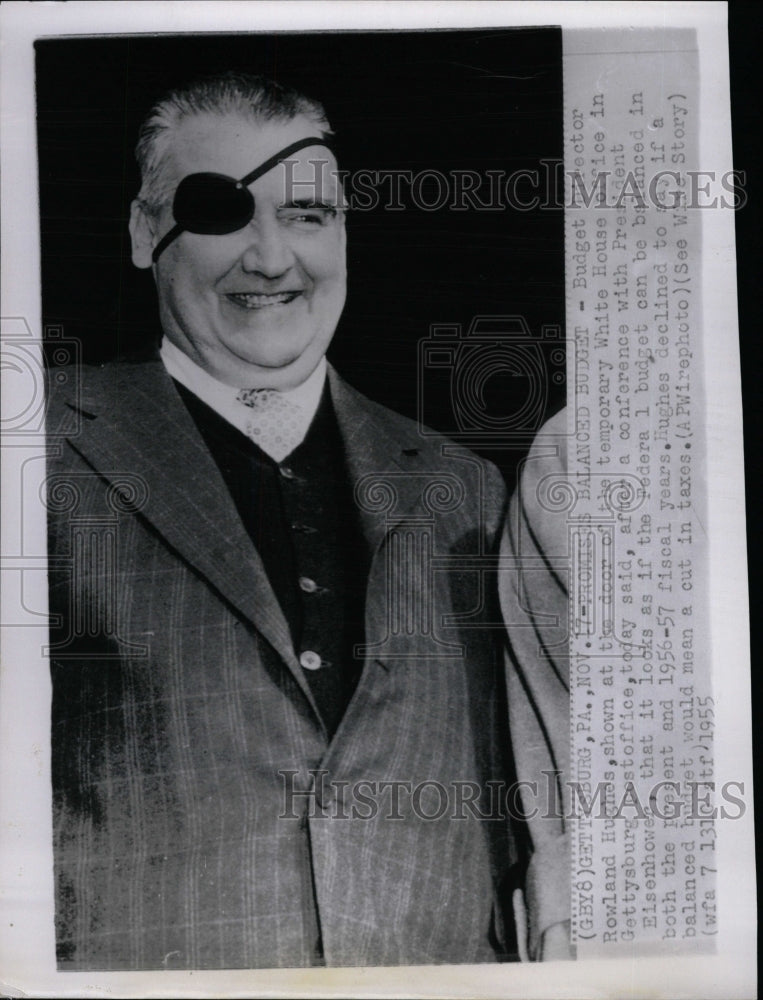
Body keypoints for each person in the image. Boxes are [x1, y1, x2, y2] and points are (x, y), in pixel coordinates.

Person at [45, 71, 534, 971]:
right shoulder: (34, 457)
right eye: (222, 211)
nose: (271, 259)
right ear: (143, 233)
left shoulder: (467, 492)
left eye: (307, 216)